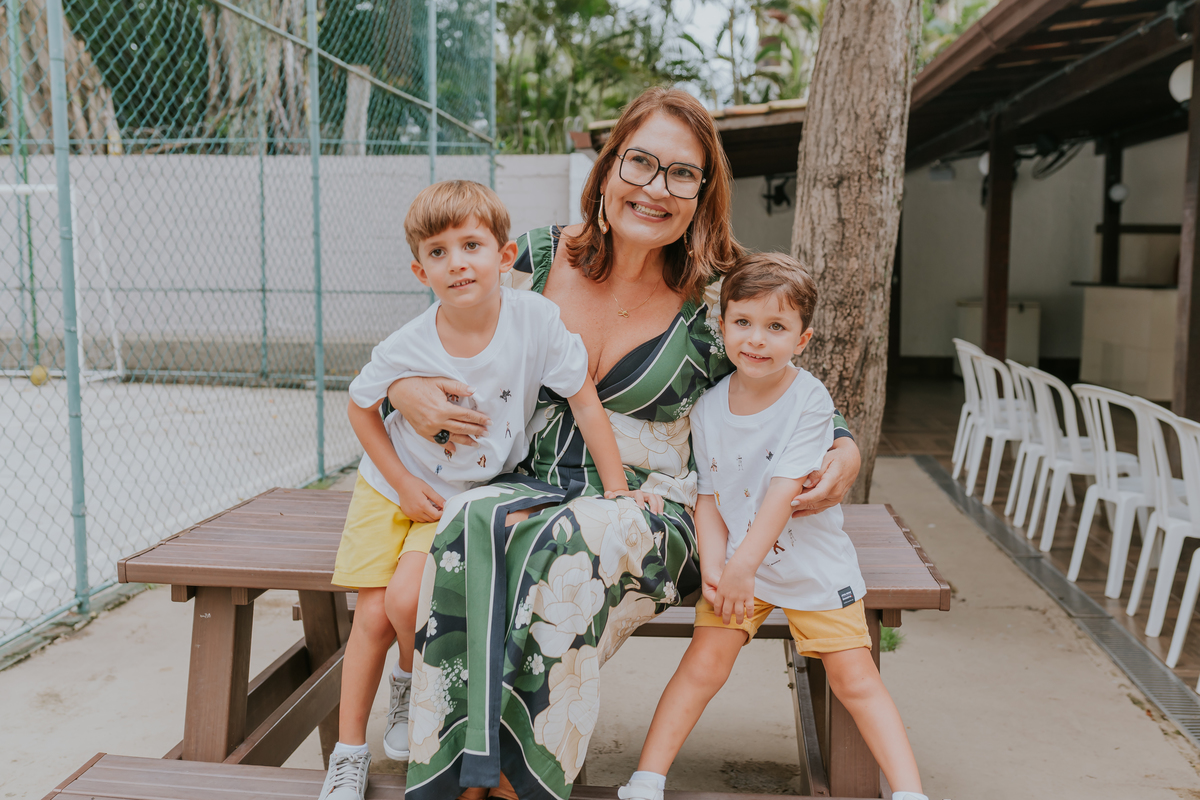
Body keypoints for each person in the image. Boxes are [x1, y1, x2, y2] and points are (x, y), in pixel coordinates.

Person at [388, 88, 862, 800]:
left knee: (569, 542)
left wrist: (846, 453)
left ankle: (520, 779)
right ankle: (461, 771)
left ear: (702, 193)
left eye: (681, 174)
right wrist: (404, 390)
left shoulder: (716, 299)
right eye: (640, 163)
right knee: (471, 526)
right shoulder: (533, 260)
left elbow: (795, 393)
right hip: (529, 479)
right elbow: (433, 344)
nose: (655, 188)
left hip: (651, 504)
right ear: (607, 169)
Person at [318, 180, 661, 800]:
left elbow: (583, 398)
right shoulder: (409, 344)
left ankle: (406, 679)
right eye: (439, 252)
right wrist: (398, 482)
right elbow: (360, 407)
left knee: (402, 605)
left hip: (457, 493)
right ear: (420, 270)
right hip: (388, 484)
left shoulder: (534, 320)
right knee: (370, 613)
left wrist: (616, 488)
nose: (457, 263)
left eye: (471, 245)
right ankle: (348, 754)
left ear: (504, 258)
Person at [616, 252, 926, 800]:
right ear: (723, 324)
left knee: (853, 677)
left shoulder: (809, 400)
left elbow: (784, 492)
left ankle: (908, 792)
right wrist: (716, 570)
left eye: (776, 327)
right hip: (738, 565)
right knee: (703, 666)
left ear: (802, 340)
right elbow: (708, 498)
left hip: (808, 564)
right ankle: (645, 781)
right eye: (743, 323)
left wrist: (739, 567)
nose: (756, 340)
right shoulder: (709, 407)